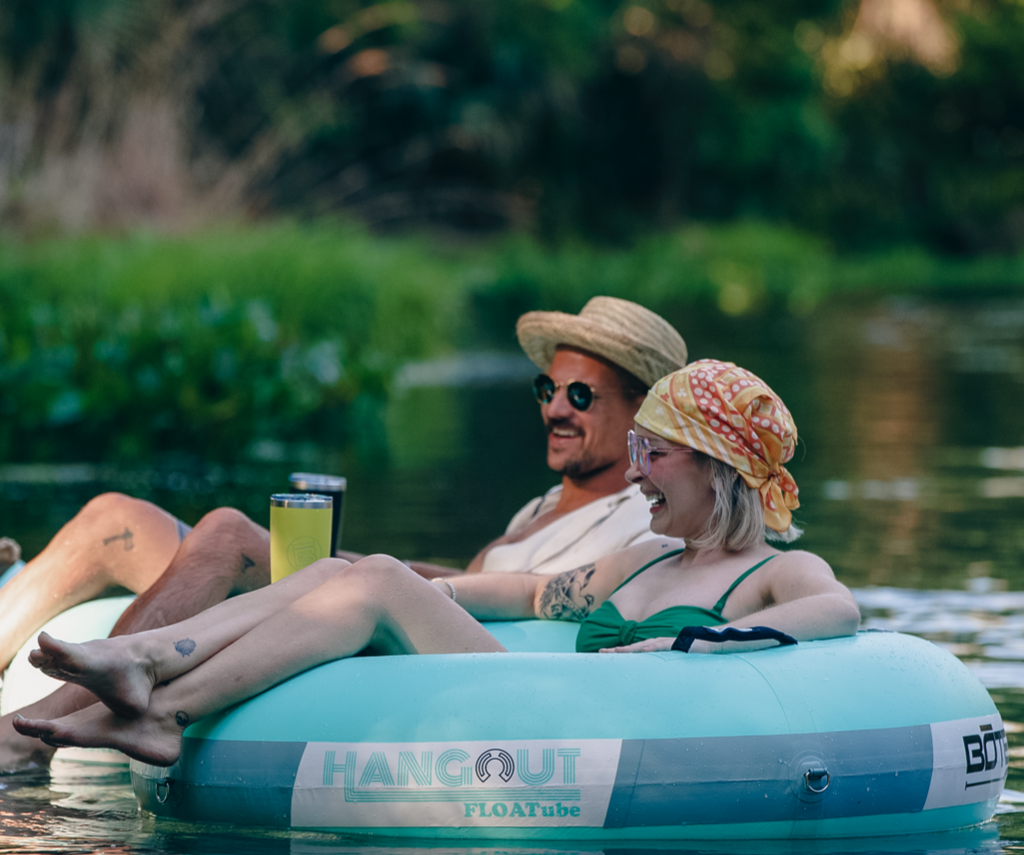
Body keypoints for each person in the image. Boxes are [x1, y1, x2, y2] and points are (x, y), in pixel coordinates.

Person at [12, 361, 860, 766]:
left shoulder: (769, 573)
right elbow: (525, 593)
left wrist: (682, 645)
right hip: (539, 701)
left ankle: (156, 684)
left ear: (719, 466)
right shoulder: (640, 563)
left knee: (378, 576)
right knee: (362, 574)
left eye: (655, 453)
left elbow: (838, 613)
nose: (637, 472)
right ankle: (154, 676)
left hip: (575, 721)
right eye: (635, 450)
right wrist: (370, 583)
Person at [0, 296, 686, 771]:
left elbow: (525, 600)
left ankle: (24, 740)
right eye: (547, 390)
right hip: (402, 597)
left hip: (430, 634)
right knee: (115, 518)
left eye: (580, 396)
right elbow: (467, 577)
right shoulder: (545, 504)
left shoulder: (637, 516)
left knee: (227, 532)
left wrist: (368, 571)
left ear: (642, 413)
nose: (556, 409)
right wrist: (359, 562)